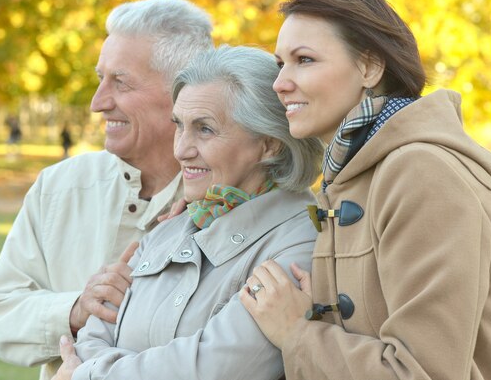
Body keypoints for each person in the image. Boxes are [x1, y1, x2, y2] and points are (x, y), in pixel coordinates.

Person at [239, 0, 491, 380]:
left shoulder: (422, 172)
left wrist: (296, 333)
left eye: (304, 60)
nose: (280, 83)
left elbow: (424, 371)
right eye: (279, 64)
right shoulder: (351, 176)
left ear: (370, 67)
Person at [51, 45, 324, 380]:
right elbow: (95, 334)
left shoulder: (299, 244)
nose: (181, 150)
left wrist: (87, 375)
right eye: (179, 125)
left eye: (204, 129)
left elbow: (214, 369)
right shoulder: (171, 226)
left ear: (270, 144)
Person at [0, 0, 214, 380]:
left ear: (182, 91)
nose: (97, 103)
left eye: (120, 82)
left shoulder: (233, 198)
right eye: (99, 78)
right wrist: (75, 310)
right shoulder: (57, 187)